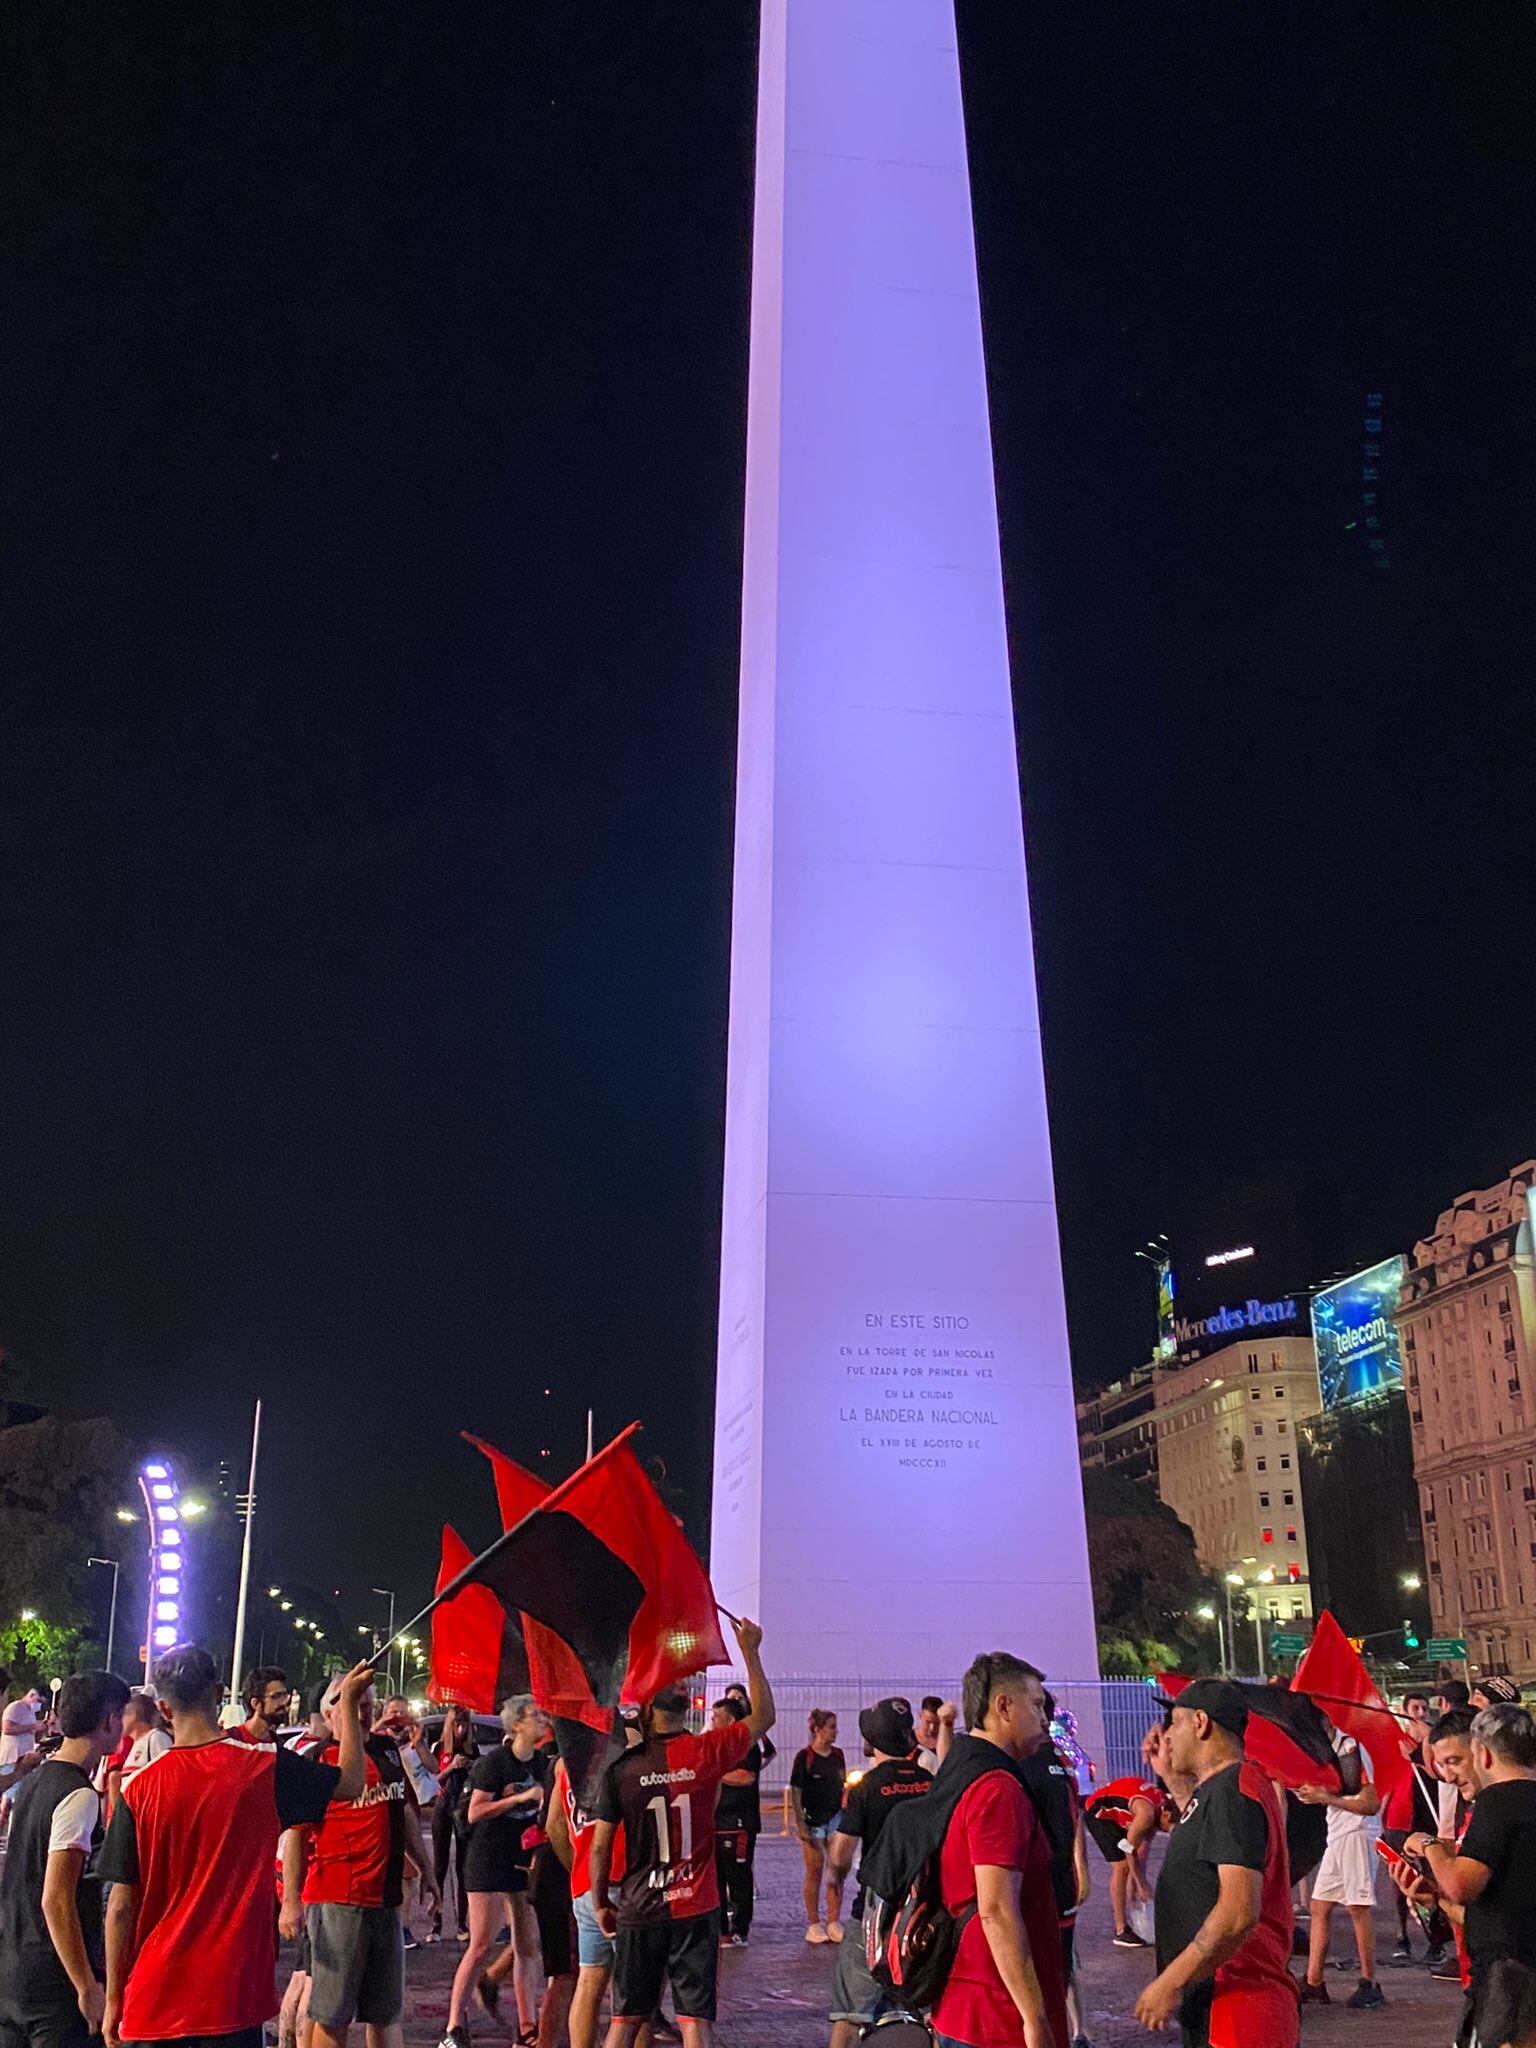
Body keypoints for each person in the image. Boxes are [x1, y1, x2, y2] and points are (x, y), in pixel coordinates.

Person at [100, 1649, 373, 2048]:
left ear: (162, 1706)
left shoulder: (138, 1787)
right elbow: (351, 1782)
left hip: (153, 1995)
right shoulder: (264, 1767)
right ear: (218, 1693)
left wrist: (112, 1999)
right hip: (230, 1993)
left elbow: (121, 1907)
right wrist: (347, 1703)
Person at [590, 1615, 775, 2048]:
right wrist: (750, 1651)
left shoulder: (622, 1770)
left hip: (640, 1904)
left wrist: (601, 1903)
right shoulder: (706, 1750)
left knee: (625, 2018)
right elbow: (764, 1717)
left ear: (647, 1712)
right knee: (695, 2021)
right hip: (695, 1905)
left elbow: (600, 1850)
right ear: (682, 1709)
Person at [1134, 1678, 1298, 2048]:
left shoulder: (1233, 1792)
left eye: (1173, 1722)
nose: (1166, 1735)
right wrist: (1172, 1778)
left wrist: (1170, 1981)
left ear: (1200, 1723)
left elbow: (1238, 1912)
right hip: (1219, 2002)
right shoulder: (1218, 1790)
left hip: (1238, 2004)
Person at [284, 1668, 438, 2048]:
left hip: (385, 1899)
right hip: (339, 1897)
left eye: (370, 1704)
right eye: (356, 1703)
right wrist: (290, 1901)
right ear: (331, 1713)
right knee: (331, 2013)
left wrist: (427, 1869)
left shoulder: (386, 1749)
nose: (365, 1712)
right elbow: (296, 1836)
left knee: (385, 2012)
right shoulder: (321, 1758)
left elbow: (401, 1811)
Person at [0, 1670, 130, 2048]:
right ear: (109, 1721)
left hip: (12, 1970)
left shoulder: (36, 1780)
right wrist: (86, 1986)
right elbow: (56, 1898)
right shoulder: (78, 1794)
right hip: (52, 1985)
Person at [1403, 1700, 1536, 2036]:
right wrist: (1435, 1901)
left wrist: (1427, 1845)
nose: (1447, 1775)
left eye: (1456, 1761)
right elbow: (1502, 1912)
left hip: (1512, 1986)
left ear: (1484, 1754)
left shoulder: (1500, 1800)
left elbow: (1461, 1885)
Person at [438, 1696, 549, 2048]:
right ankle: (454, 2025)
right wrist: (518, 1799)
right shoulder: (494, 1763)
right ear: (515, 1724)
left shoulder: (543, 1762)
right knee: (482, 1942)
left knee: (527, 1945)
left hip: (522, 1858)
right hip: (486, 1857)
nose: (542, 1720)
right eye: (535, 1716)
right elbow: (474, 1812)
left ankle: (527, 2024)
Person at [825, 1697, 931, 2048]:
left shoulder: (866, 1787)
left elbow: (840, 1856)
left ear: (873, 1741)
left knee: (850, 2014)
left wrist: (835, 1882)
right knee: (933, 2012)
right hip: (924, 1912)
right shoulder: (929, 1781)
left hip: (874, 1913)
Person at [1022, 1692, 1092, 2048]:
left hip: (1041, 1888)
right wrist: (1081, 1867)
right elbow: (1073, 1817)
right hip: (1061, 1884)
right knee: (1059, 1970)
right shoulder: (1062, 1761)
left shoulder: (1025, 1763)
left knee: (1042, 1977)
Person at [1296, 1730, 1384, 2009]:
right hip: (1338, 1833)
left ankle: (1369, 1983)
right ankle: (1314, 1981)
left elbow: (1370, 1804)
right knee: (1319, 1906)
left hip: (1358, 1833)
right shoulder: (1328, 1749)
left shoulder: (1350, 1748)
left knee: (1358, 1907)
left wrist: (1325, 1798)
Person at [1082, 1759, 1166, 1950]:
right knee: (1121, 1867)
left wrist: (1139, 1896)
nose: (1164, 1831)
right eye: (1167, 1827)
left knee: (1134, 1867)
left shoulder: (1158, 1808)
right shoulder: (1147, 1815)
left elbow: (1140, 1855)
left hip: (1119, 1814)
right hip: (1099, 1811)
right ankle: (1121, 1930)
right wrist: (1142, 1884)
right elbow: (1129, 1849)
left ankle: (1133, 1917)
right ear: (1166, 1814)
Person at [1381, 1693, 1437, 1962]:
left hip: (1426, 1822)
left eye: (1425, 1708)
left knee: (1429, 1880)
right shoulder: (1394, 1744)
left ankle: (1435, 1938)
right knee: (1399, 1880)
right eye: (1415, 1708)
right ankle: (1401, 1935)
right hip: (1398, 1820)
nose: (1420, 1712)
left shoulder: (1433, 1743)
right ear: (1404, 1711)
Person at [710, 1699, 763, 1947]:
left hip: (739, 1824)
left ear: (731, 1719)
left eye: (716, 1716)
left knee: (739, 1877)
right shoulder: (714, 1745)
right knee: (716, 1878)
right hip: (715, 1823)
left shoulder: (746, 1745)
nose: (712, 1721)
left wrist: (715, 1774)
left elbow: (745, 1777)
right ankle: (719, 1929)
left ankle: (741, 1929)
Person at [790, 1711, 847, 1945]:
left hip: (834, 1817)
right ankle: (814, 1923)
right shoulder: (804, 1757)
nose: (836, 1731)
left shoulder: (838, 1755)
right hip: (812, 1819)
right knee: (814, 1868)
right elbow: (796, 1791)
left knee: (836, 1868)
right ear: (818, 1730)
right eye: (831, 1727)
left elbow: (843, 1784)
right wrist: (800, 1823)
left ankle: (834, 1920)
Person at [430, 1706, 480, 1943]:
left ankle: (462, 1923)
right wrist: (450, 1767)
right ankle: (436, 1923)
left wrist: (470, 1766)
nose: (461, 1729)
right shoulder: (439, 1748)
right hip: (443, 1806)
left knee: (464, 1867)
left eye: (464, 1724)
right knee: (439, 1867)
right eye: (456, 1724)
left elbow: (481, 1778)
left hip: (464, 1808)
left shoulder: (473, 1749)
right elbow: (431, 1782)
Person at [237, 1670, 294, 1746]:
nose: (284, 1702)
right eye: (276, 1696)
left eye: (285, 1696)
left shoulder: (280, 1748)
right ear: (256, 1704)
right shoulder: (229, 1742)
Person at [914, 1699, 944, 1777]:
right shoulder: (908, 1740)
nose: (932, 1728)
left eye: (937, 1723)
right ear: (920, 1716)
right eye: (928, 1722)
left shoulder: (949, 1741)